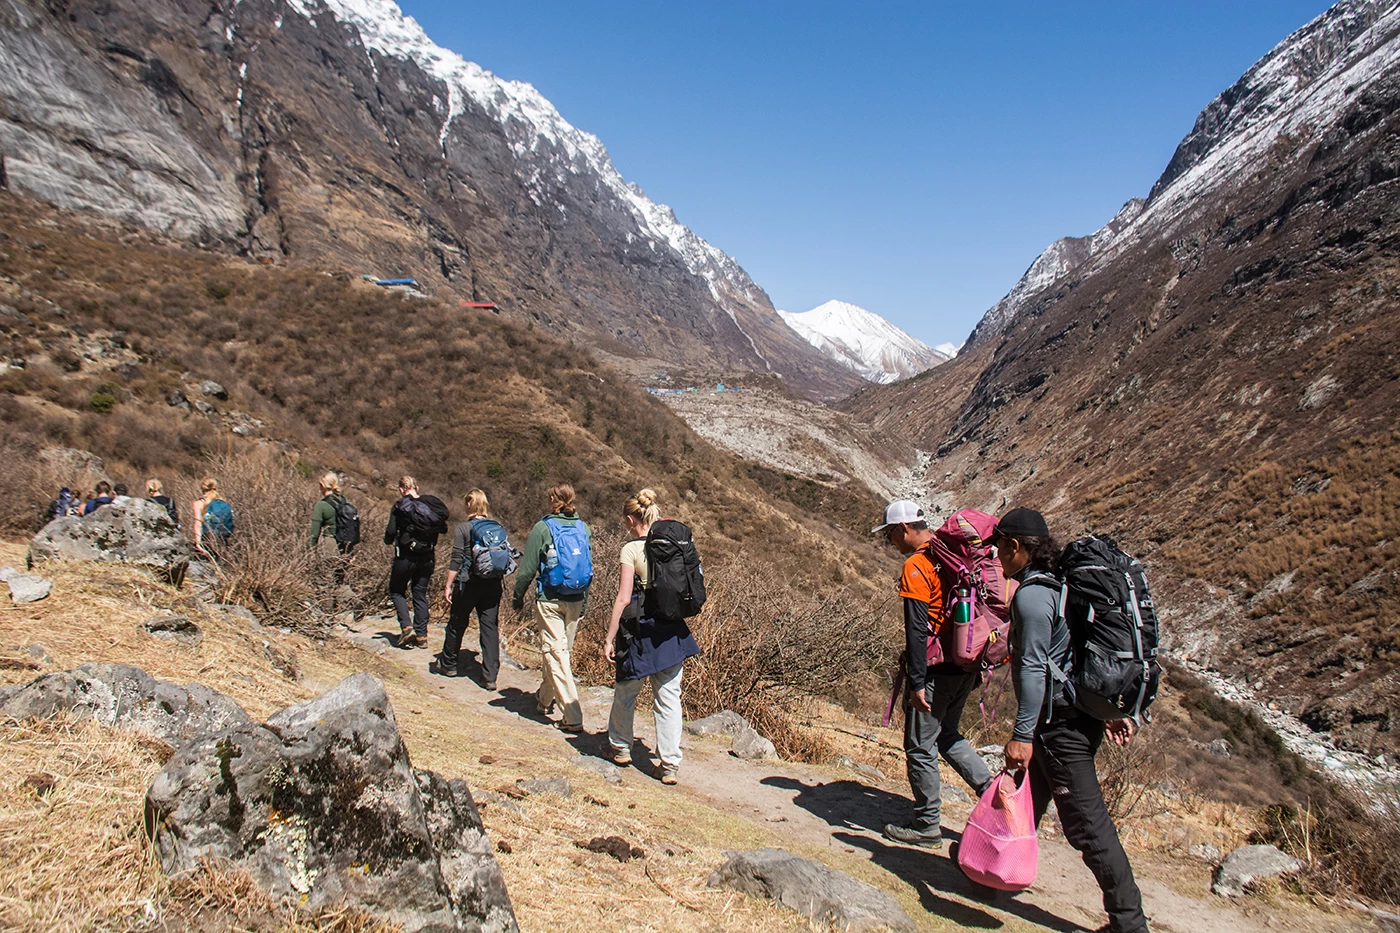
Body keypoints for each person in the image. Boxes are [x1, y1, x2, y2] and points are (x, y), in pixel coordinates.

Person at [996, 507, 1147, 933]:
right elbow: (1077, 656)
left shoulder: (1030, 596)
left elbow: (1034, 668)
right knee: (1026, 798)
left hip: (1056, 725)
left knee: (1087, 826)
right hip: (1078, 716)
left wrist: (1022, 733)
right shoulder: (1065, 584)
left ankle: (1128, 923)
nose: (996, 557)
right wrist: (1109, 711)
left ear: (1014, 546)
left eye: (999, 547)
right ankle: (990, 870)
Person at [874, 499, 992, 849]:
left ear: (904, 529)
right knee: (948, 735)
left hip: (937, 669)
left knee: (920, 745)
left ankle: (927, 824)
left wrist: (918, 681)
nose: (890, 543)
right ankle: (994, 793)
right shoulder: (954, 557)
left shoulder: (917, 565)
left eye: (890, 536)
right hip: (966, 663)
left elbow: (916, 628)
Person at [600, 488, 701, 785]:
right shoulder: (674, 544)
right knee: (669, 697)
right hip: (671, 628)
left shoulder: (630, 550)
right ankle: (669, 763)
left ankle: (620, 747)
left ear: (631, 519)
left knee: (626, 690)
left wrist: (609, 637)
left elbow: (622, 598)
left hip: (640, 629)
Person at [512, 483, 591, 733]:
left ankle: (572, 714)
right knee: (558, 653)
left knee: (556, 654)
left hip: (550, 598)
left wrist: (517, 597)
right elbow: (586, 567)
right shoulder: (583, 528)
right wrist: (585, 601)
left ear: (551, 500)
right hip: (576, 598)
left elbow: (526, 570)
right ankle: (544, 700)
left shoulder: (542, 528)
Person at [435, 489, 507, 689]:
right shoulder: (496, 527)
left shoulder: (463, 528)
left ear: (469, 505)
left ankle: (448, 663)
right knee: (489, 627)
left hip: (468, 583)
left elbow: (457, 558)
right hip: (492, 584)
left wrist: (448, 584)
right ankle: (490, 675)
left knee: (457, 621)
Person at [383, 475, 448, 649]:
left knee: (396, 591)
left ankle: (406, 626)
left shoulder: (400, 507)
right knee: (419, 593)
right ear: (416, 488)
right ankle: (422, 636)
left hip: (405, 556)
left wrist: (390, 539)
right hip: (427, 557)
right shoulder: (430, 507)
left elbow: (390, 533)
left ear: (401, 490)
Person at [192, 477, 234, 559]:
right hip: (222, 540)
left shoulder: (198, 504)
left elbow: (198, 523)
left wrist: (198, 542)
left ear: (202, 489)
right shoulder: (223, 503)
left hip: (207, 539)